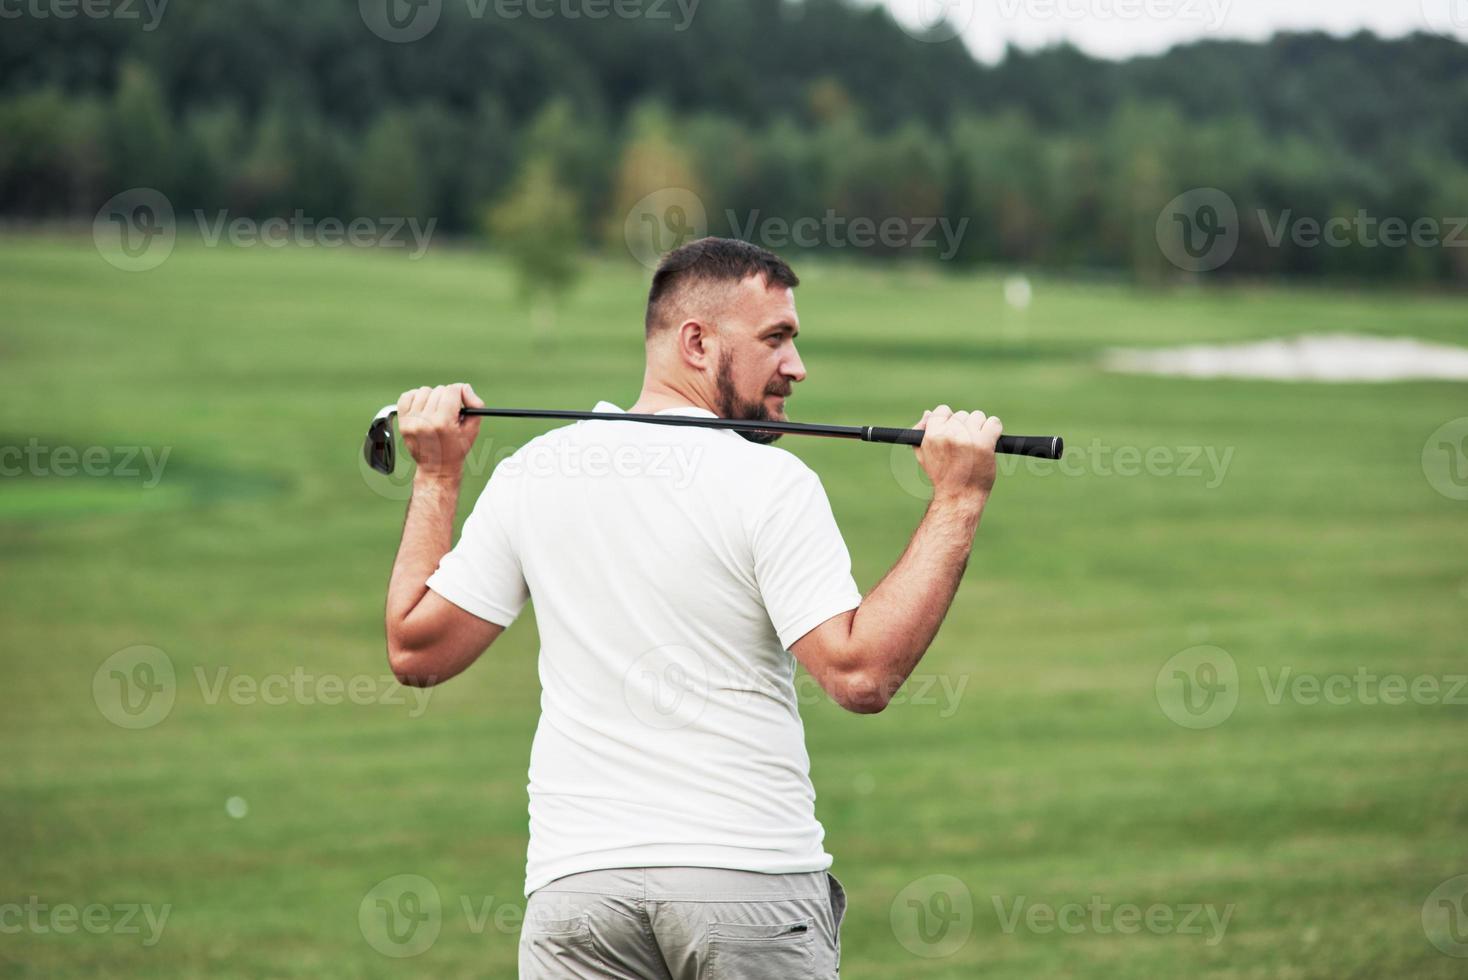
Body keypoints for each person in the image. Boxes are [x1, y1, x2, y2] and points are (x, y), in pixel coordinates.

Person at [383, 237, 1002, 978]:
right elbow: (860, 674)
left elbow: (417, 651)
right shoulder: (772, 484)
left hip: (579, 897)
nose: (797, 367)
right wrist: (959, 499)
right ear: (698, 342)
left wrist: (437, 477)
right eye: (776, 339)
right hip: (743, 882)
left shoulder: (533, 472)